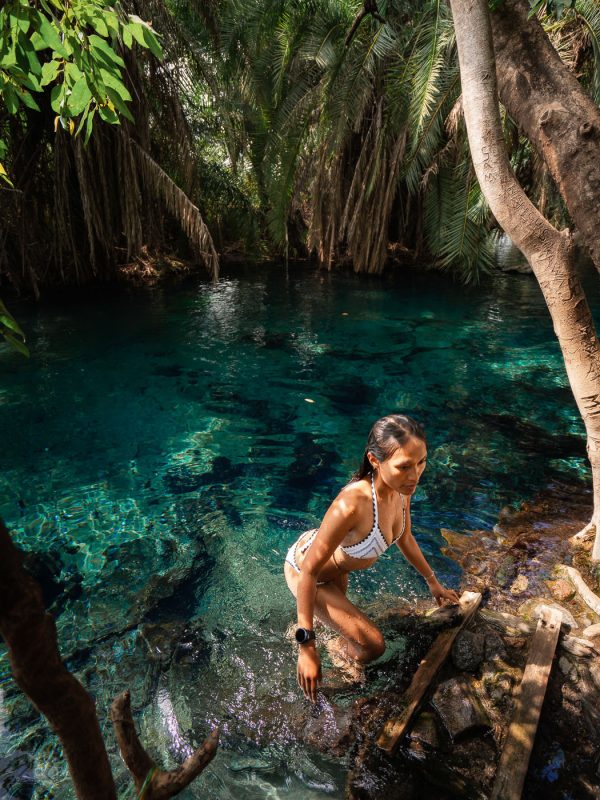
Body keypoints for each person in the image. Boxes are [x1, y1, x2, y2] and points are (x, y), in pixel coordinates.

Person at [284, 414, 460, 702]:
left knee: (350, 633)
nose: (416, 474)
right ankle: (324, 653)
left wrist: (433, 583)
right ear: (375, 461)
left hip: (335, 569)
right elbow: (309, 571)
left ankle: (332, 644)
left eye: (421, 462)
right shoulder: (353, 503)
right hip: (305, 570)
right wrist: (306, 647)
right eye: (404, 466)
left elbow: (405, 537)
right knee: (374, 646)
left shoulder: (402, 487)